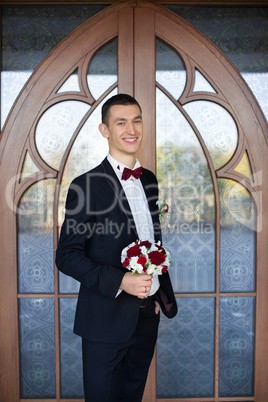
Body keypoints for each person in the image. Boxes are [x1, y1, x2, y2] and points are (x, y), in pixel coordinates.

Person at [56, 93, 177, 402]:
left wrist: (157, 295)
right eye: (121, 122)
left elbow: (150, 240)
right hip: (104, 323)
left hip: (146, 317)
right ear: (105, 130)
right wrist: (121, 280)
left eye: (137, 120)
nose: (131, 129)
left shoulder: (148, 180)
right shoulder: (86, 185)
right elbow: (66, 256)